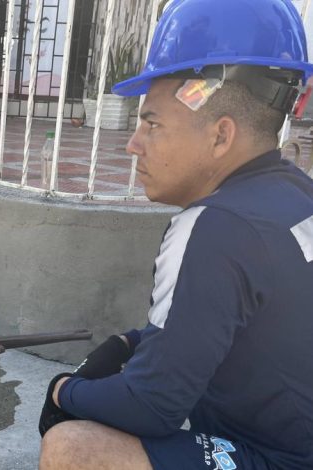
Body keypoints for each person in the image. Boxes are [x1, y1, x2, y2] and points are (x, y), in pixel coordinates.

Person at [38, 0, 313, 468]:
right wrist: (131, 342)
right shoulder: (295, 194)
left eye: (152, 124)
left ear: (220, 136)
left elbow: (152, 406)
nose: (132, 144)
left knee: (73, 448)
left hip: (281, 459)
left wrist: (65, 389)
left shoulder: (212, 227)